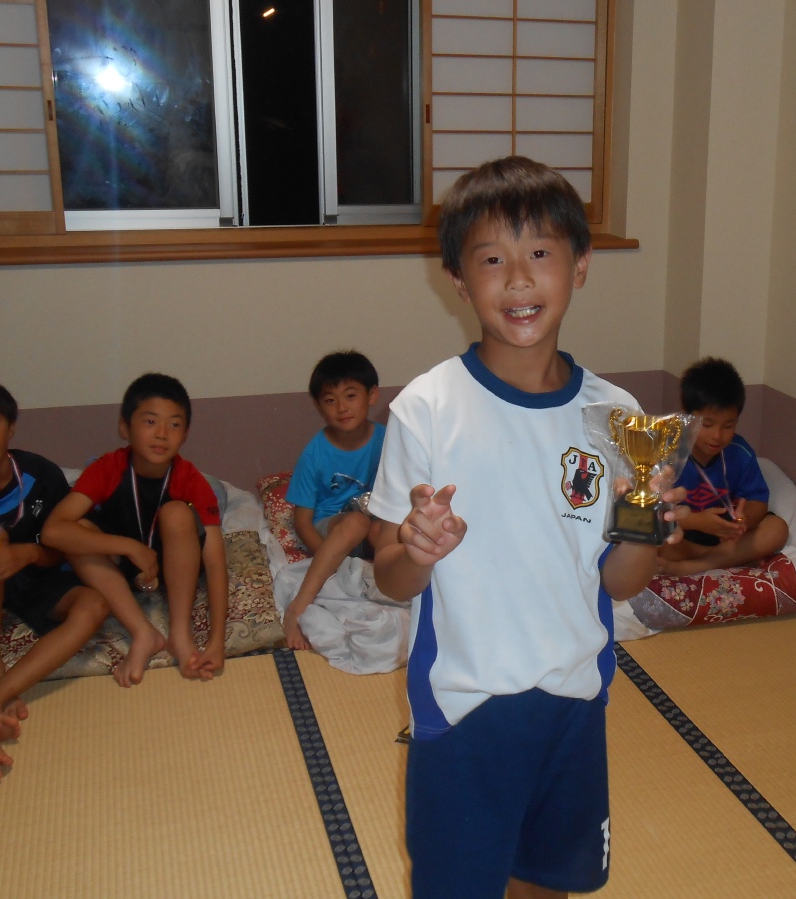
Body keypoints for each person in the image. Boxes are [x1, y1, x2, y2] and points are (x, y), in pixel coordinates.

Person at [368, 155, 688, 899]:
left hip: (574, 705)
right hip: (464, 711)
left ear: (581, 266)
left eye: (541, 252)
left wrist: (646, 529)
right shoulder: (426, 408)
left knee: (548, 885)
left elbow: (620, 582)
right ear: (458, 279)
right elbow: (390, 576)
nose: (518, 279)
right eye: (491, 259)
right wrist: (415, 548)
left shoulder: (616, 416)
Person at [42, 373, 228, 688]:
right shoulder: (107, 468)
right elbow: (53, 531)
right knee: (78, 531)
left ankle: (179, 635)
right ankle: (143, 633)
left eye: (174, 425)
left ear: (185, 435)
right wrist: (128, 547)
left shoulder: (190, 479)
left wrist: (216, 641)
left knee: (177, 513)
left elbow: (215, 561)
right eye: (150, 421)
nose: (162, 434)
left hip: (175, 565)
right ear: (125, 427)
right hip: (122, 566)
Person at [0, 378, 110, 789]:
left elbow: (61, 547)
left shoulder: (41, 474)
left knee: (93, 604)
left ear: (11, 427)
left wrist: (27, 554)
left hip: (39, 577)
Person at [282, 350, 386, 650]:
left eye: (351, 396)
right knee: (356, 522)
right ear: (318, 406)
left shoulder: (387, 440)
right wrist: (327, 558)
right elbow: (303, 521)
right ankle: (297, 608)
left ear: (372, 395)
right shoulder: (315, 453)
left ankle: (394, 593)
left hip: (372, 525)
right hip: (332, 528)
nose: (341, 407)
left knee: (384, 528)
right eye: (330, 400)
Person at [658, 357, 788, 577]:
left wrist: (743, 521)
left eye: (728, 425)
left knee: (777, 529)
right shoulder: (667, 451)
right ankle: (721, 560)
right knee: (650, 542)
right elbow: (654, 513)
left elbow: (758, 502)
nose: (717, 436)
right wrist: (697, 522)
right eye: (707, 424)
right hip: (683, 533)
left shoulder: (739, 451)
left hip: (726, 535)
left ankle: (696, 564)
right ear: (686, 415)